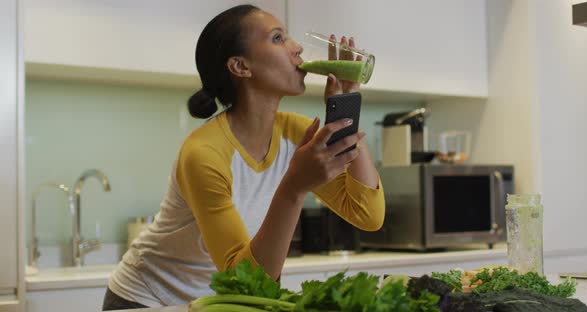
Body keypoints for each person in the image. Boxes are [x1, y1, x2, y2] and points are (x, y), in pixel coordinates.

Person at [102, 4, 385, 310]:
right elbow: (246, 280)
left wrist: (346, 108)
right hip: (148, 298)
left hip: (217, 301)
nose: (298, 47)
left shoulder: (295, 133)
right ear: (240, 66)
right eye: (278, 39)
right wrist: (294, 187)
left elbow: (367, 214)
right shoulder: (203, 153)